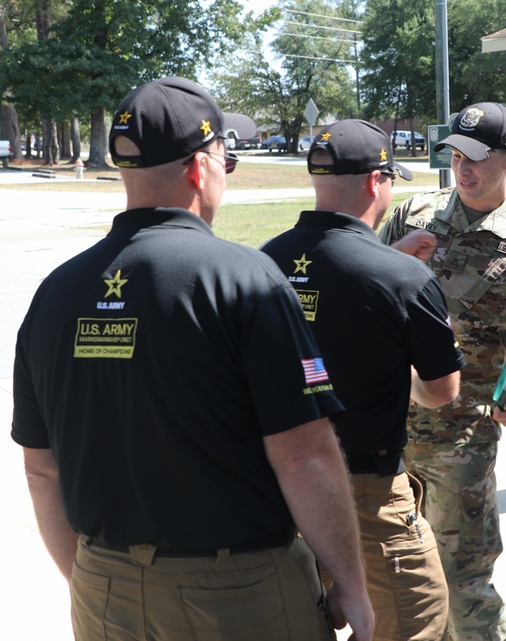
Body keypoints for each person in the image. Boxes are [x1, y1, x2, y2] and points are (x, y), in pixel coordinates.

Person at [10, 77, 373, 641]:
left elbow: (40, 469)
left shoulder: (56, 291)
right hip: (236, 593)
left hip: (102, 586)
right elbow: (304, 455)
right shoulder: (245, 279)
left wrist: (92, 580)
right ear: (201, 166)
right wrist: (350, 581)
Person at [260, 120, 466, 641]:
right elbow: (442, 392)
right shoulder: (402, 277)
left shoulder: (261, 263)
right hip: (367, 491)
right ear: (378, 181)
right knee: (416, 616)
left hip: (275, 484)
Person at [379, 102, 506, 641]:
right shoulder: (414, 216)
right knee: (397, 583)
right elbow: (363, 292)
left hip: (460, 447)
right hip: (388, 431)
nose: (464, 169)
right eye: (457, 155)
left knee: (464, 588)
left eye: (478, 158)